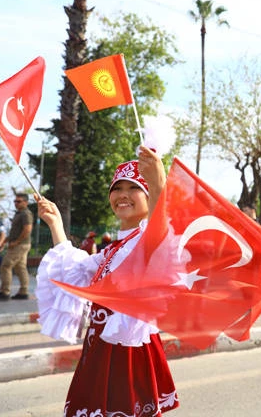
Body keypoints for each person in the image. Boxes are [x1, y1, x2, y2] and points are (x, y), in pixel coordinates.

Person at [35, 147, 179, 416]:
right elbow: (73, 267)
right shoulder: (113, 250)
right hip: (99, 348)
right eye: (117, 188)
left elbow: (161, 233)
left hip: (127, 352)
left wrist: (159, 184)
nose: (123, 195)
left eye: (134, 187)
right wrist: (55, 224)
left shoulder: (147, 242)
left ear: (149, 196)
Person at [0, 193, 33, 301]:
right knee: (20, 267)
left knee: (5, 266)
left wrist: (16, 242)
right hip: (19, 244)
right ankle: (23, 292)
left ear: (26, 202)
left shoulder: (26, 214)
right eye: (15, 201)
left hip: (20, 245)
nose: (16, 203)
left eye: (19, 201)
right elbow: (14, 232)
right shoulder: (18, 213)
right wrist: (5, 241)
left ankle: (4, 292)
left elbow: (27, 229)